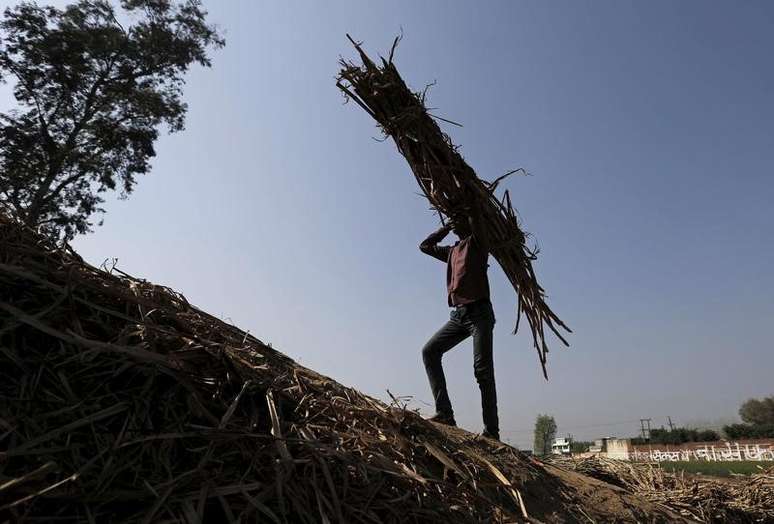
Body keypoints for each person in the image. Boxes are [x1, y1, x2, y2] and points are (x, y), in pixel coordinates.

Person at [419, 211, 500, 440]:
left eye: (458, 221)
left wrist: (467, 209)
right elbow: (425, 246)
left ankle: (492, 432)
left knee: (482, 371)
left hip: (480, 314)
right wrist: (444, 227)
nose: (455, 225)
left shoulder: (478, 243)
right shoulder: (451, 251)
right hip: (459, 316)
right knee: (430, 351)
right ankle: (444, 413)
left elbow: (477, 216)